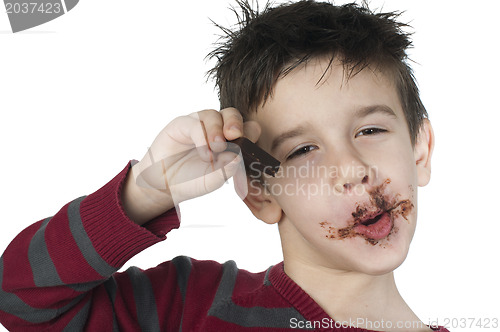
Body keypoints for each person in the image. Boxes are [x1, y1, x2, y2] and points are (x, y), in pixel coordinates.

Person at [0, 1, 448, 331]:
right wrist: (145, 194)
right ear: (259, 191)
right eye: (301, 151)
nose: (352, 170)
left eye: (370, 131)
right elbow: (19, 299)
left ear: (420, 150)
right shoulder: (189, 304)